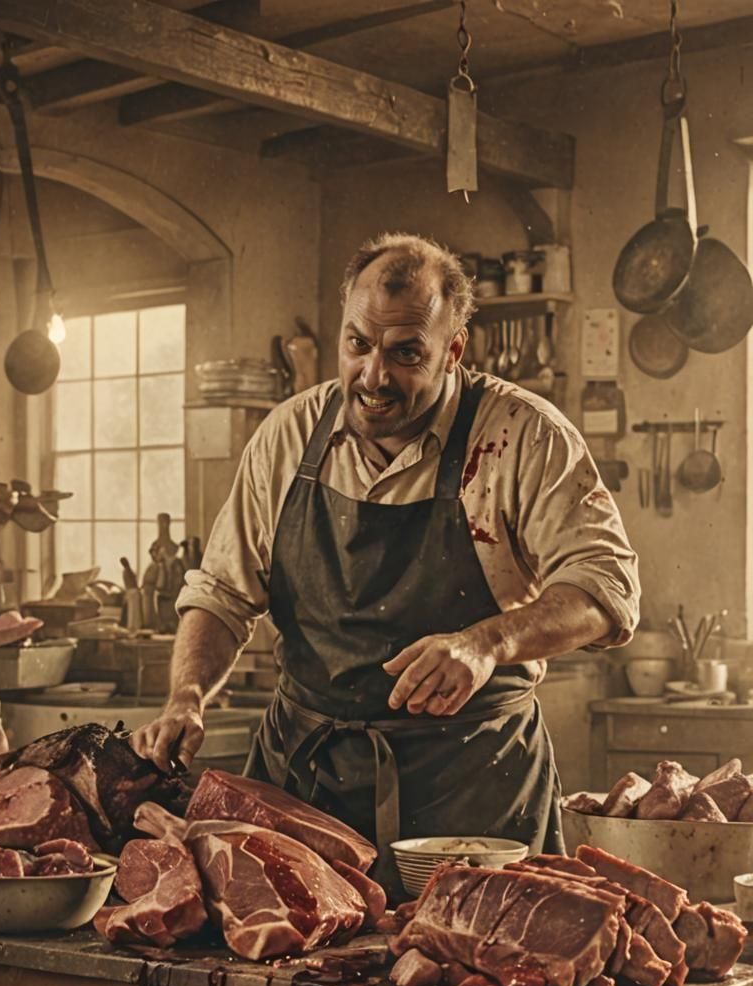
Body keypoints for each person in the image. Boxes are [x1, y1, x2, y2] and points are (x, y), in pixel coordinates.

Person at [132, 232, 639, 873]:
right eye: (357, 345)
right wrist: (187, 695)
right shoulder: (288, 435)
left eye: (405, 353)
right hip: (305, 786)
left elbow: (606, 590)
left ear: (453, 350)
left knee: (470, 962)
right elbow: (223, 594)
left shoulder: (522, 435)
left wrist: (486, 643)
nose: (374, 375)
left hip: (471, 790)